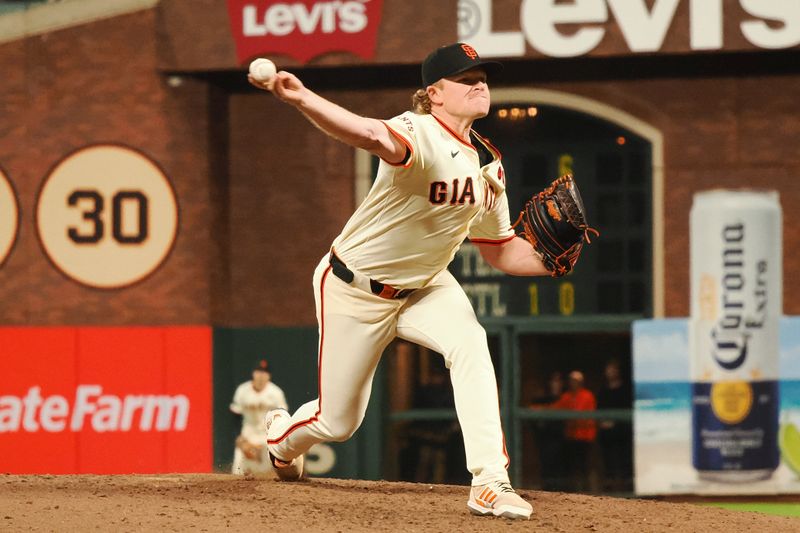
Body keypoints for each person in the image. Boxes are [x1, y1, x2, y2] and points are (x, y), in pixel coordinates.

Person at [250, 42, 553, 520]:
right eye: (465, 78)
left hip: (428, 286)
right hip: (354, 287)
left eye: (483, 77)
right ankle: (281, 441)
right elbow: (371, 134)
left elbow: (501, 251)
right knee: (338, 422)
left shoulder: (489, 163)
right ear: (434, 93)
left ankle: (489, 482)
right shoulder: (418, 132)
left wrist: (554, 262)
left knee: (471, 344)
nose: (480, 84)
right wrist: (302, 98)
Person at [229, 359, 288, 476]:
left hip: (268, 438)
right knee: (237, 474)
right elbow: (235, 416)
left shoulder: (276, 393)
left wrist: (276, 442)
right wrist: (240, 440)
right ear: (253, 374)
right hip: (248, 436)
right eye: (258, 371)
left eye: (264, 372)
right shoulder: (242, 391)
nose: (261, 375)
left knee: (272, 476)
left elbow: (283, 419)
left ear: (269, 376)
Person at [550, 370, 597, 492]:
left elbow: (580, 415)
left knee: (585, 466)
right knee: (572, 467)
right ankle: (575, 491)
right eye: (571, 380)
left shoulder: (587, 395)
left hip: (585, 438)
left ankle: (588, 491)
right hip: (571, 437)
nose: (573, 383)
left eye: (575, 381)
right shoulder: (567, 396)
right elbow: (555, 408)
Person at [596, 358, 633, 492]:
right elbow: (599, 408)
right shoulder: (603, 390)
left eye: (614, 369)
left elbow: (627, 408)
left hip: (623, 430)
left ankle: (628, 486)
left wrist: (615, 422)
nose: (611, 372)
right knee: (608, 459)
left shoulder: (626, 389)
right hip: (606, 431)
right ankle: (610, 484)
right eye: (609, 370)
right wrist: (603, 422)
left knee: (625, 458)